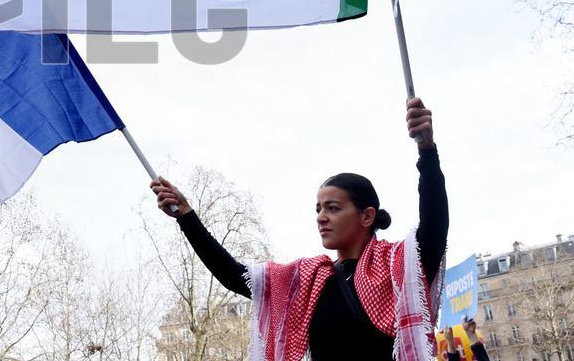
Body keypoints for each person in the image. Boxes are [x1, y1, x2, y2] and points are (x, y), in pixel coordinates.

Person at [151, 97, 449, 361]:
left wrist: (427, 151)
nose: (321, 217)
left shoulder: (401, 268)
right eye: (318, 209)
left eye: (333, 208)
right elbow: (233, 275)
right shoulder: (309, 281)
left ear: (367, 216)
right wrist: (187, 216)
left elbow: (435, 222)